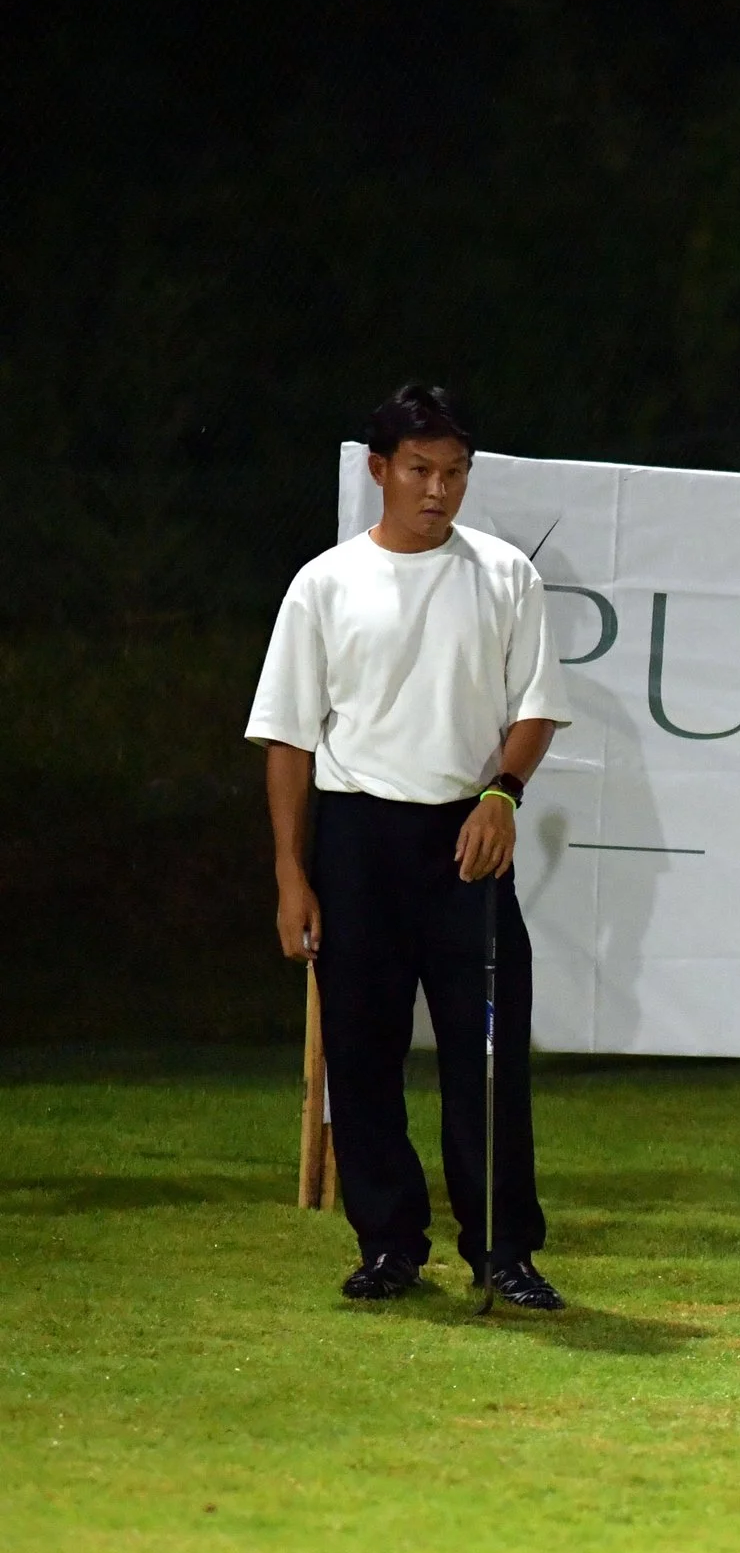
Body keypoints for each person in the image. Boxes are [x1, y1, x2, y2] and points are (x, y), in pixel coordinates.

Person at [245, 385, 571, 1307]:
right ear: (379, 470)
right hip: (357, 837)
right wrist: (290, 874)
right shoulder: (326, 583)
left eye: (455, 472)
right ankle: (389, 1243)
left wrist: (502, 793)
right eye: (420, 470)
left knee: (488, 1059)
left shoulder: (507, 575)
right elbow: (288, 737)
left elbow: (536, 706)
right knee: (360, 1053)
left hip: (467, 838)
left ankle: (505, 1253)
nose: (438, 490)